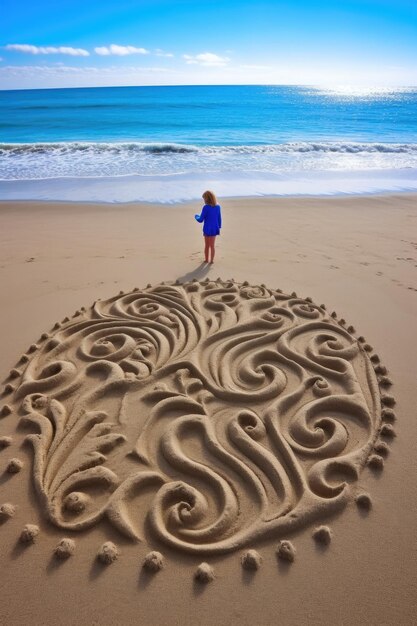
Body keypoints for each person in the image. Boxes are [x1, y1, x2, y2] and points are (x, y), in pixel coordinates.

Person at [194, 190, 222, 264]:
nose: (204, 201)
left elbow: (200, 220)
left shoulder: (206, 207)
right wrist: (219, 227)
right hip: (215, 228)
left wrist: (196, 216)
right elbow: (219, 218)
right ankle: (211, 261)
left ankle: (206, 260)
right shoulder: (218, 206)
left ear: (207, 199)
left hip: (207, 229)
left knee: (207, 245)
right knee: (212, 245)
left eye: (204, 199)